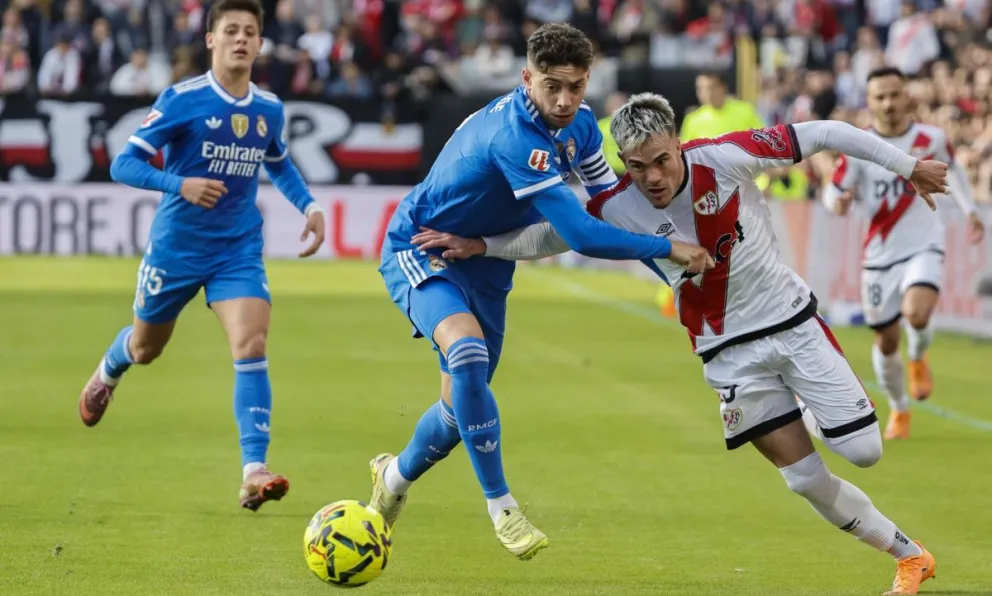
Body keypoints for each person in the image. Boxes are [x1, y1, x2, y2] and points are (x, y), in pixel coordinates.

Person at [411, 93, 946, 595]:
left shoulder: (728, 155)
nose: (652, 177)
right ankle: (909, 556)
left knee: (864, 452)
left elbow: (826, 130)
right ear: (623, 161)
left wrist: (908, 165)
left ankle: (809, 406)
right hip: (727, 355)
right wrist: (481, 245)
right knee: (804, 480)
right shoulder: (617, 205)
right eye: (637, 166)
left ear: (676, 142)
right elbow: (550, 237)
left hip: (791, 324)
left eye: (661, 160)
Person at [371, 24, 713, 560]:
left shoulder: (581, 130)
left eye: (575, 87)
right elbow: (579, 234)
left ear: (587, 81)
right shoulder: (514, 136)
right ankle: (502, 507)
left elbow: (611, 207)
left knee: (459, 410)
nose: (563, 99)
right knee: (466, 353)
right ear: (527, 77)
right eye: (551, 85)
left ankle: (392, 479)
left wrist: (678, 275)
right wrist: (672, 253)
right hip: (424, 245)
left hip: (485, 261)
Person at [77, 0, 326, 512]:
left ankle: (253, 471)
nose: (241, 39)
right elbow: (124, 164)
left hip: (237, 248)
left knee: (252, 341)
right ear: (210, 39)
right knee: (147, 348)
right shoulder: (181, 100)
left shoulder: (269, 108)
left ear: (260, 44)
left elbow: (277, 162)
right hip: (177, 247)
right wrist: (179, 184)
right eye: (230, 30)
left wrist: (310, 205)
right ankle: (108, 370)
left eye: (250, 32)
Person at [824, 67, 985, 440]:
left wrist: (970, 210)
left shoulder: (931, 138)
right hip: (878, 255)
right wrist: (839, 203)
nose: (889, 103)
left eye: (894, 94)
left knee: (917, 312)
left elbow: (954, 171)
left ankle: (918, 357)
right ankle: (899, 408)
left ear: (907, 97)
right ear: (869, 102)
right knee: (885, 340)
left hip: (924, 242)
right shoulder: (859, 145)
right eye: (880, 97)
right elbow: (833, 189)